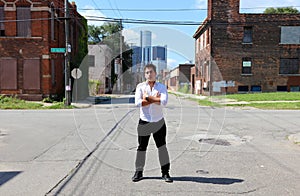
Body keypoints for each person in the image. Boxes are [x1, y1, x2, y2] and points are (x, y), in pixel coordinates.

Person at [132, 64, 173, 183]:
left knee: (162, 148)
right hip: (144, 121)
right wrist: (155, 99)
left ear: (156, 73)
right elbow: (137, 103)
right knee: (141, 148)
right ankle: (138, 172)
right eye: (147, 73)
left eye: (151, 72)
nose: (149, 74)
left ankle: (165, 173)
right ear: (144, 74)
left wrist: (147, 98)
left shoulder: (161, 87)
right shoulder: (140, 87)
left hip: (158, 122)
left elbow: (164, 101)